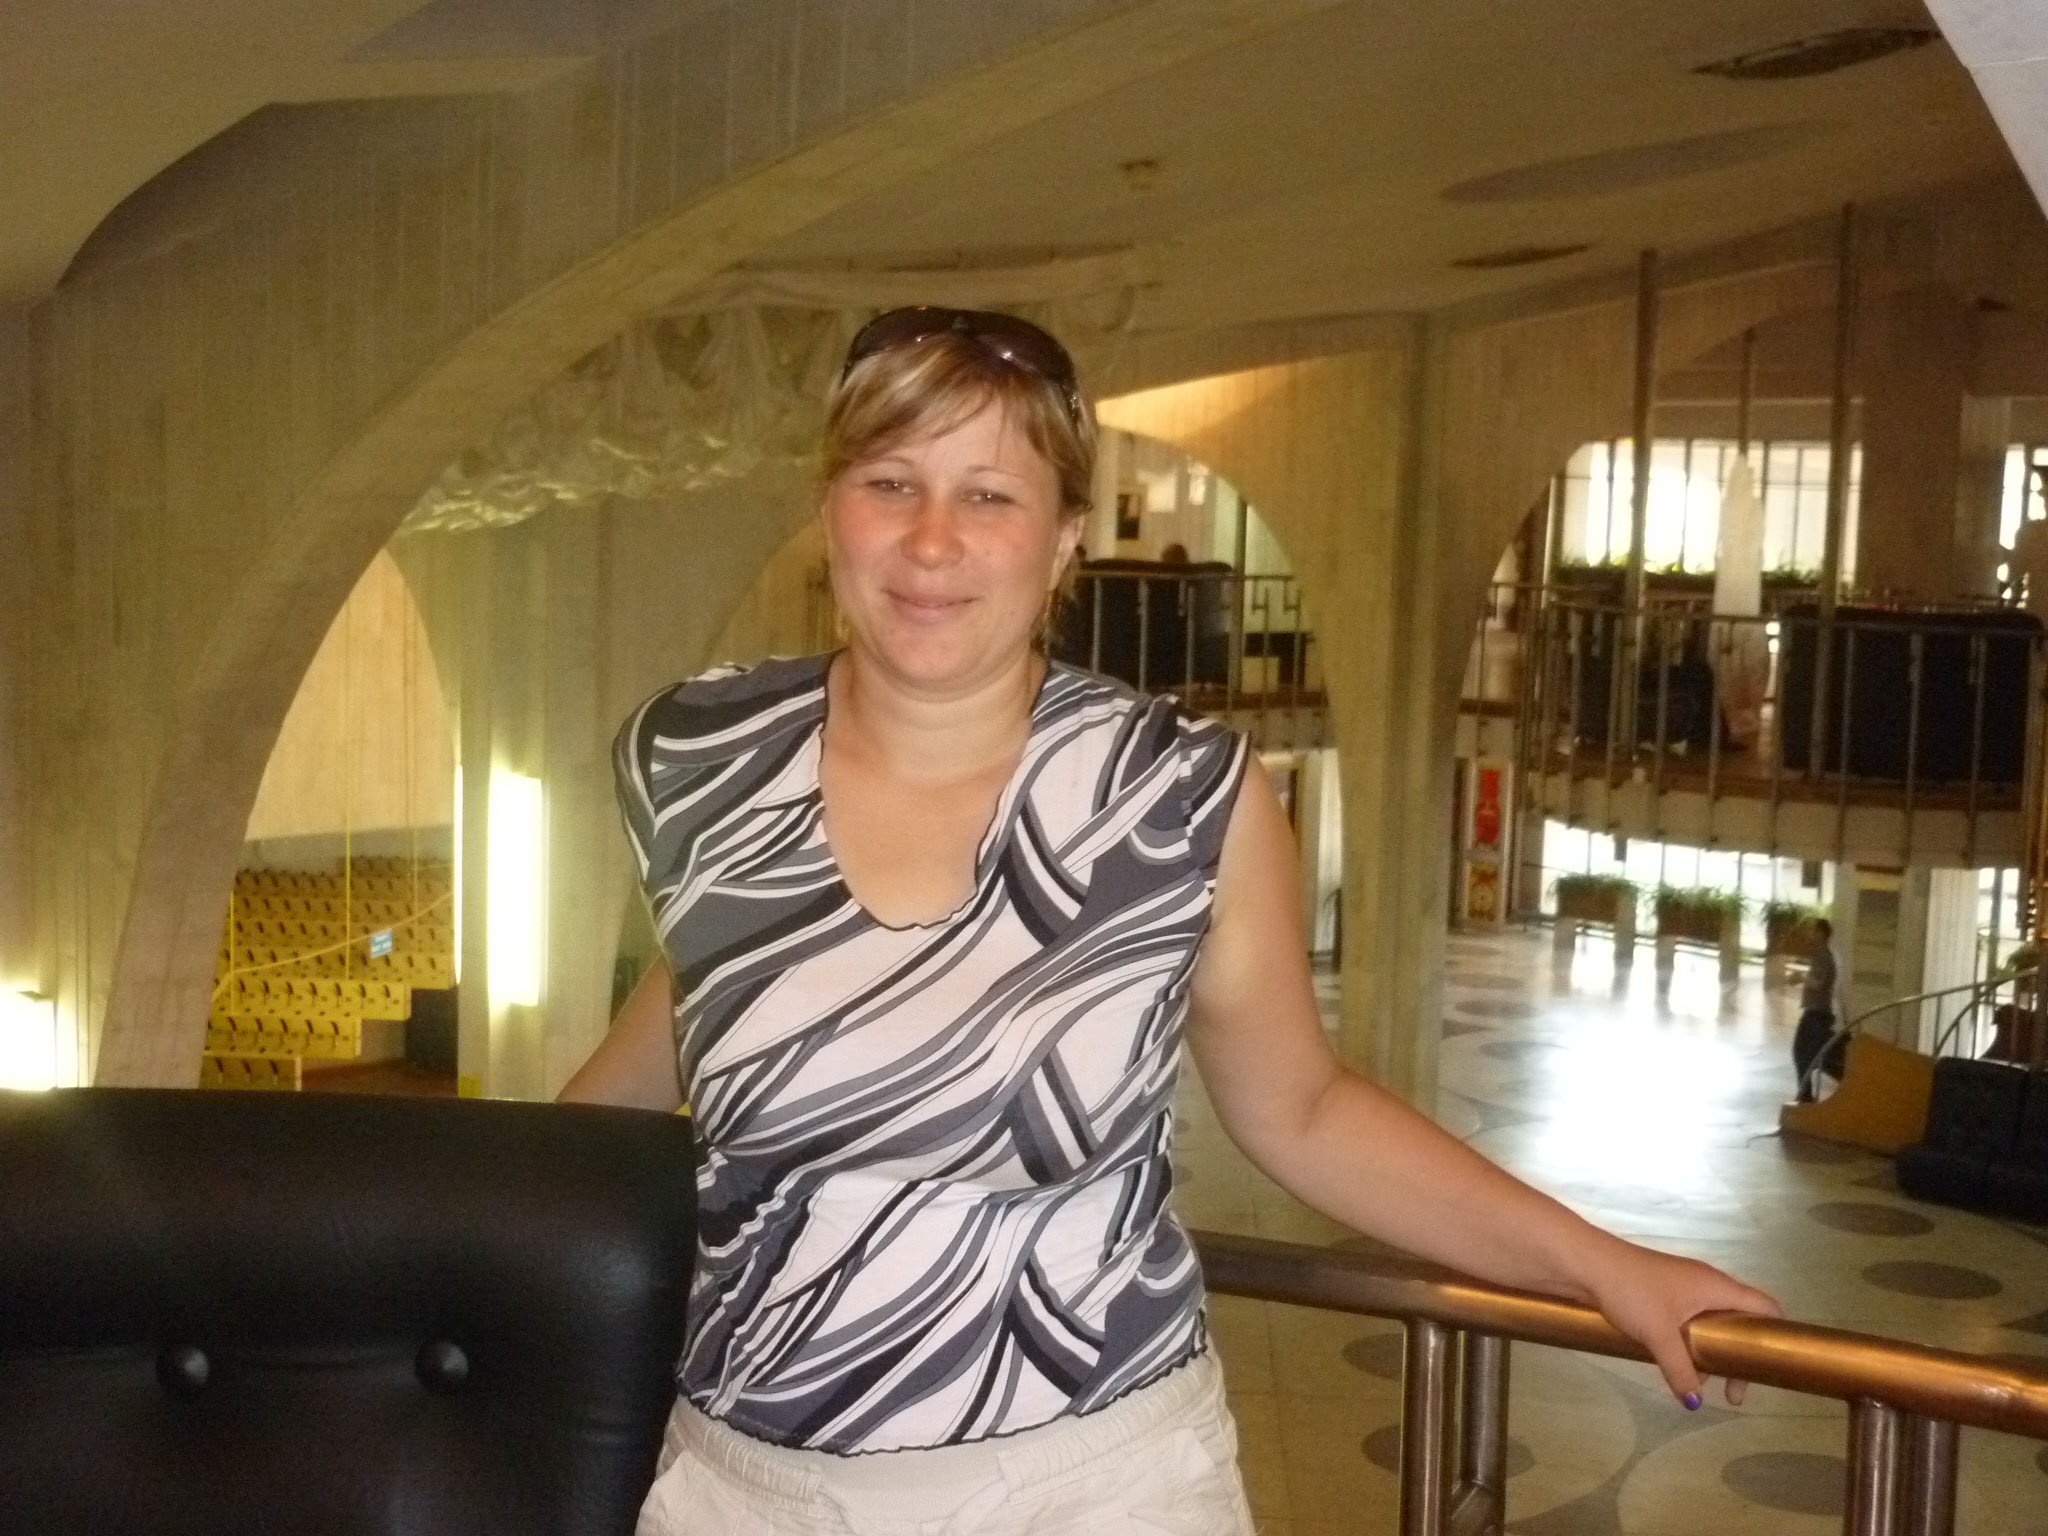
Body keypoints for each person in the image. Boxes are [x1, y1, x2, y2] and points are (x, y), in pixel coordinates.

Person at [560, 306, 1780, 1536]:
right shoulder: (698, 755)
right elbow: (684, 1027)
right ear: (830, 507)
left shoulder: (1174, 798)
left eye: (988, 495)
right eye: (890, 483)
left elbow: (1301, 1110)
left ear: (1063, 540)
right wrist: (476, 1217)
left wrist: (1605, 1267)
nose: (931, 540)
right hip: (745, 1492)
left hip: (1083, 1489)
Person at [1792, 918, 1842, 1103]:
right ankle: (1805, 1095)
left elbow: (1819, 984)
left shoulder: (1823, 957)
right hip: (1817, 1013)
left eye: (1812, 930)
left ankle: (1805, 1096)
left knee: (1802, 1052)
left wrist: (1800, 977)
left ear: (1821, 934)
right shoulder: (1821, 955)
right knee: (1813, 1055)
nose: (1808, 934)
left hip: (1817, 1014)